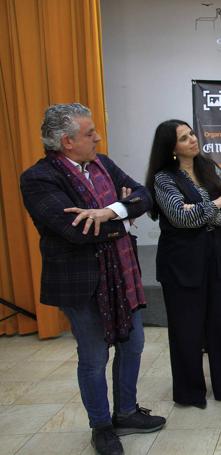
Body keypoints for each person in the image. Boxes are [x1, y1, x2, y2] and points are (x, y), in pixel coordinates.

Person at [20, 103, 166, 455]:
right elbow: (77, 231)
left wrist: (109, 212)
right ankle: (101, 426)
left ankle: (127, 412)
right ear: (67, 141)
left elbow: (143, 195)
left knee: (133, 345)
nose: (97, 137)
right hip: (82, 283)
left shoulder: (103, 164)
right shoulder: (38, 178)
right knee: (93, 356)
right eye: (89, 133)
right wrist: (126, 220)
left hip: (122, 274)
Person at [145, 119, 221, 409]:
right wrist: (215, 204)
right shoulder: (164, 178)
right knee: (186, 330)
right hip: (182, 263)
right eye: (184, 137)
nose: (192, 139)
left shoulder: (209, 167)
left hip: (215, 257)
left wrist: (201, 211)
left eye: (191, 133)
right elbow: (180, 217)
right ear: (171, 148)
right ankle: (190, 393)